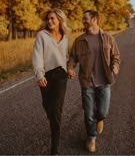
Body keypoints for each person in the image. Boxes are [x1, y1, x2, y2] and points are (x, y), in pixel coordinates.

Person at [67, 10, 120, 153]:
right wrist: (70, 68)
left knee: (102, 112)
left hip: (104, 81)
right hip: (87, 82)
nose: (83, 20)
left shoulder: (108, 38)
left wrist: (115, 65)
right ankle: (91, 137)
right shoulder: (79, 41)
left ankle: (100, 119)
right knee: (88, 113)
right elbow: (72, 58)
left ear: (95, 19)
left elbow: (116, 55)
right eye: (83, 18)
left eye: (85, 18)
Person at [32, 9, 71, 155]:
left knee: (56, 110)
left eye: (52, 18)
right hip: (46, 75)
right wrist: (39, 74)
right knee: (47, 106)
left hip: (61, 76)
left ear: (60, 20)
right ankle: (53, 119)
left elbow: (64, 56)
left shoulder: (65, 37)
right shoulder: (42, 35)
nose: (49, 21)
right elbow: (37, 56)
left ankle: (54, 149)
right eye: (47, 19)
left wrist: (69, 69)